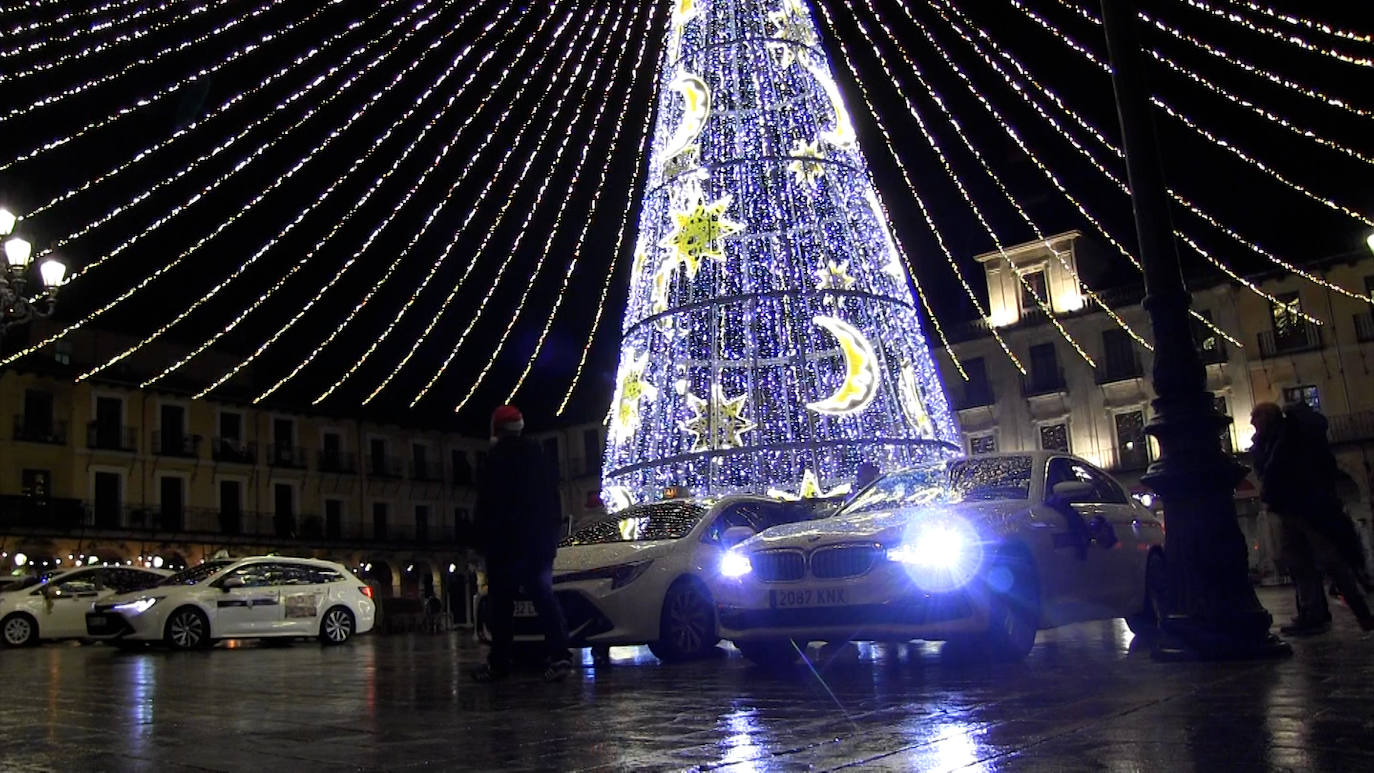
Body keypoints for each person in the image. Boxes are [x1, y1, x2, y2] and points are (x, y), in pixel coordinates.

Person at [1251, 402, 1374, 635]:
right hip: (1290, 508)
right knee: (1301, 563)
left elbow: (1282, 471)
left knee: (1328, 560)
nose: (1251, 423)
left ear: (1267, 418)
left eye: (1255, 418)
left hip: (1306, 508)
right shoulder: (1272, 442)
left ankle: (1357, 612)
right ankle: (1314, 613)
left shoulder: (1288, 438)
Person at [470, 405, 572, 682]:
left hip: (506, 546)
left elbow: (488, 505)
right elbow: (553, 499)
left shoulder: (495, 459)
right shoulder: (540, 456)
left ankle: (500, 662)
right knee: (544, 598)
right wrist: (552, 534)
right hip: (539, 544)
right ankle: (560, 654)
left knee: (501, 605)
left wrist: (480, 541)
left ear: (496, 430)